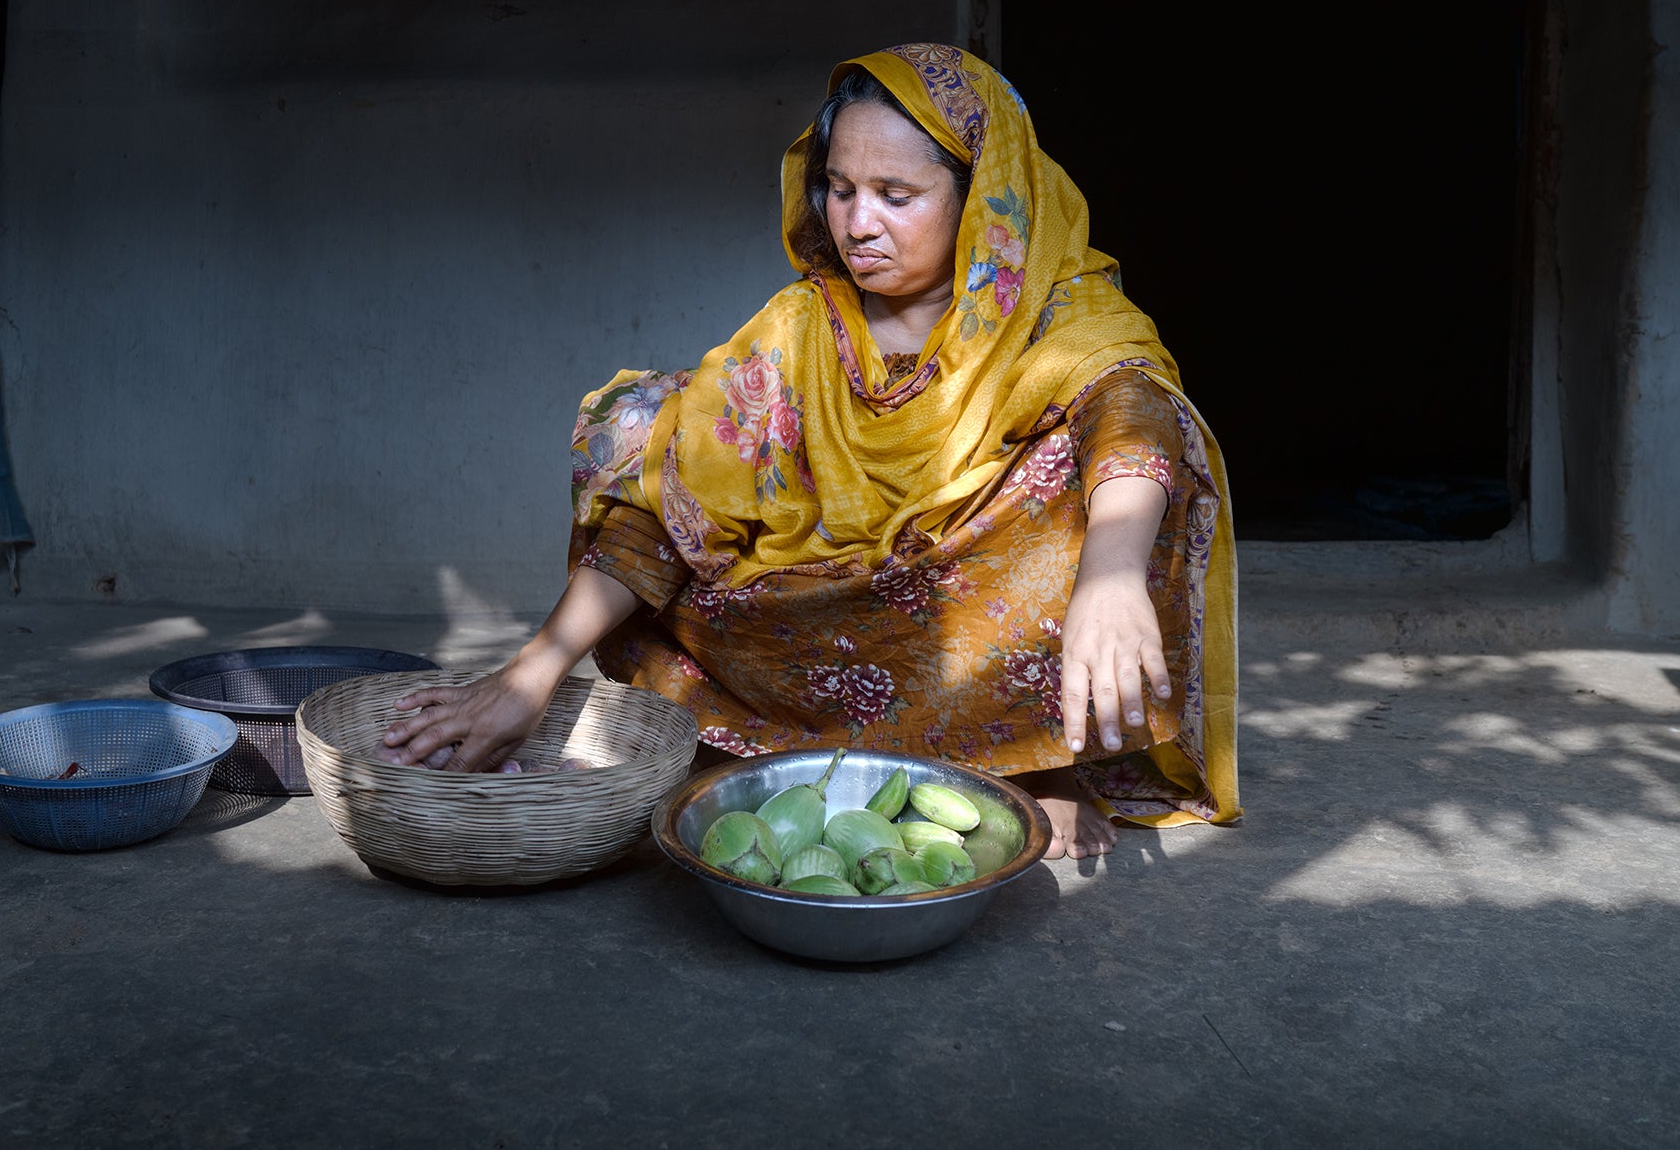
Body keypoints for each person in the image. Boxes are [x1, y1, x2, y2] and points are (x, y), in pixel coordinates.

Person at [378, 43, 1239, 857]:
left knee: (1123, 467)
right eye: (839, 187)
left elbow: (1131, 403)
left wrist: (1114, 571)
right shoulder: (802, 330)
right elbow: (670, 501)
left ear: (981, 198)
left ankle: (1038, 753)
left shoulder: (1056, 313)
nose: (858, 222)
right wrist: (530, 675)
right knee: (646, 427)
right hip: (821, 619)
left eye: (896, 196)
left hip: (979, 623)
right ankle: (799, 745)